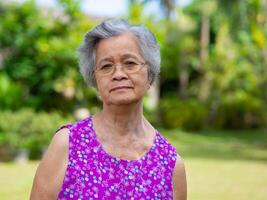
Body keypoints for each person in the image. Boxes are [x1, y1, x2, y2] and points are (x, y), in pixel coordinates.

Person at [30, 18, 187, 200]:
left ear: (150, 74)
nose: (119, 74)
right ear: (94, 79)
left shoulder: (171, 164)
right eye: (106, 66)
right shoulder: (67, 144)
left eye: (130, 63)